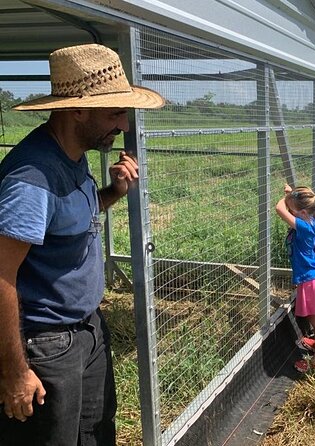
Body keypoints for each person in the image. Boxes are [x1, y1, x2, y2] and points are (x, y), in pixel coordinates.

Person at [0, 44, 164, 445]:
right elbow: (1, 274)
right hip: (44, 344)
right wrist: (15, 372)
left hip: (86, 330)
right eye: (114, 113)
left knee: (94, 432)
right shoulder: (31, 178)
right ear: (77, 110)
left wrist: (112, 192)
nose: (124, 124)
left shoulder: (72, 154)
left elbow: (65, 224)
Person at [276, 184, 315, 372]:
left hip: (310, 279)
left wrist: (284, 200)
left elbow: (279, 209)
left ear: (301, 212)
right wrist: (290, 195)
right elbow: (295, 206)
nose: (289, 213)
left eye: (292, 210)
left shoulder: (303, 226)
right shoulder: (310, 218)